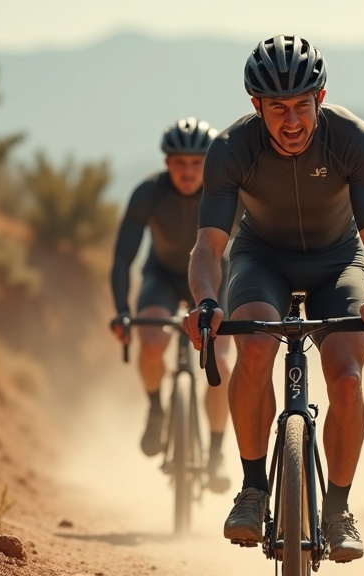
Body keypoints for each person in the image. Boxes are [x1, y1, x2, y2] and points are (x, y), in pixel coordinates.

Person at [182, 35, 364, 563]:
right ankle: (254, 488)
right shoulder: (232, 150)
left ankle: (339, 509)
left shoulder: (354, 140)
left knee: (346, 379)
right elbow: (209, 247)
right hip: (263, 258)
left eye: (302, 104)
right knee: (255, 346)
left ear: (320, 98)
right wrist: (207, 303)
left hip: (338, 260)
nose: (292, 120)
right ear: (255, 106)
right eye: (277, 108)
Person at [110, 117, 234, 492]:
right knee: (150, 343)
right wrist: (121, 311)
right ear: (167, 163)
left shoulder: (224, 192)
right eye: (179, 162)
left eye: (197, 163)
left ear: (209, 163)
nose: (188, 171)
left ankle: (215, 453)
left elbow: (247, 247)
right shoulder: (148, 193)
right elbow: (122, 259)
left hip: (214, 278)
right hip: (162, 277)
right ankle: (156, 408)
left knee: (222, 364)